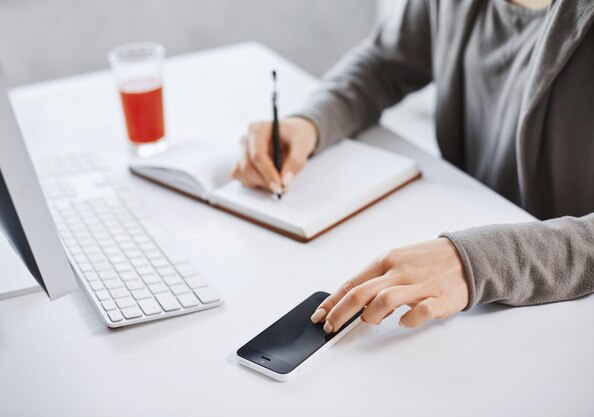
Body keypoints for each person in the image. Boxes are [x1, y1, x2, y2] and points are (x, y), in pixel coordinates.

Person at [232, 0, 594, 333]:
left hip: (558, 318)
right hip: (459, 263)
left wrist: (478, 261)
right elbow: (384, 63)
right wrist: (311, 122)